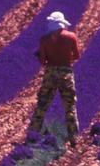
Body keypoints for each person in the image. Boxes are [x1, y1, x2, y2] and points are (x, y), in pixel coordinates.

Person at [30, 11, 81, 147]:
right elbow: (76, 55)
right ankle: (73, 138)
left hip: (50, 73)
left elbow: (42, 61)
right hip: (66, 72)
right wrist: (65, 59)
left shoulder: (44, 39)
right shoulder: (71, 37)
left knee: (42, 104)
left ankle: (32, 134)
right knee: (69, 105)